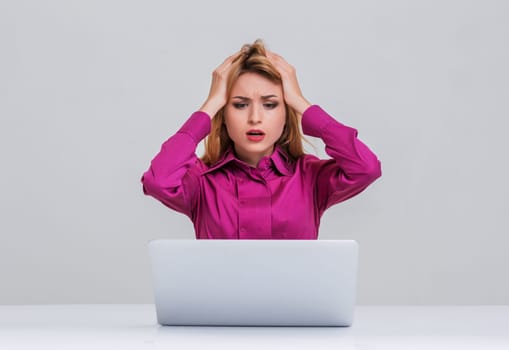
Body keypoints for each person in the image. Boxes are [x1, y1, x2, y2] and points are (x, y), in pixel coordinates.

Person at [141, 40, 381, 239]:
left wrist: (301, 104)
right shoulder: (201, 181)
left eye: (270, 104)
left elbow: (366, 168)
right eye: (240, 105)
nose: (255, 118)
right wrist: (210, 106)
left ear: (286, 115)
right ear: (223, 115)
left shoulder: (309, 177)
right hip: (218, 299)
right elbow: (158, 182)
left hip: (296, 298)